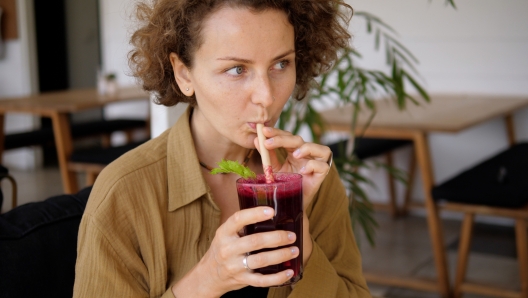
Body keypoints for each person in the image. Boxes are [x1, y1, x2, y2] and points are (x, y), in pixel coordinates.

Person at [73, 0, 370, 297]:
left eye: (281, 64)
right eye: (237, 69)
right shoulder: (124, 193)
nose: (266, 96)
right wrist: (207, 280)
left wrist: (301, 247)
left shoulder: (309, 178)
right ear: (183, 74)